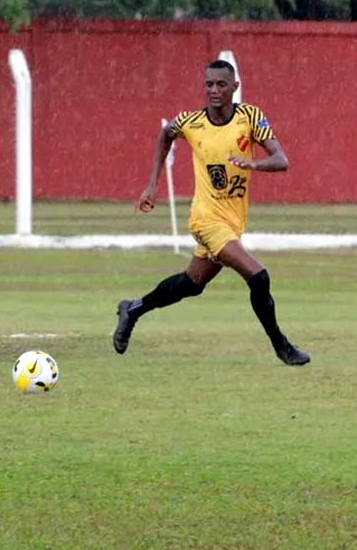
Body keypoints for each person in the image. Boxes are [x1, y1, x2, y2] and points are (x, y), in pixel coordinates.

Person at [114, 59, 310, 366]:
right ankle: (282, 346)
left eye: (221, 84)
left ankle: (133, 308)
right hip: (205, 219)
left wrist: (254, 164)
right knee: (258, 277)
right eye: (209, 84)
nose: (214, 90)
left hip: (232, 221)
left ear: (235, 86)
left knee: (192, 283)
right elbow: (166, 134)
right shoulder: (191, 122)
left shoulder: (250, 117)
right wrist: (152, 184)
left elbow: (282, 159)